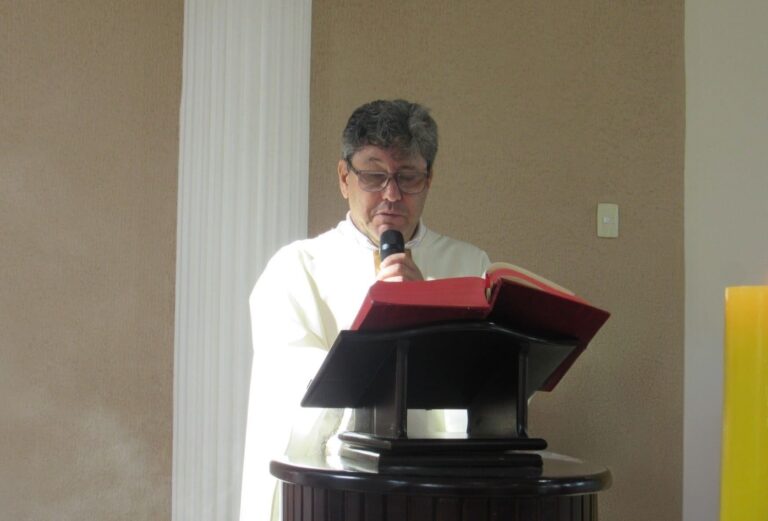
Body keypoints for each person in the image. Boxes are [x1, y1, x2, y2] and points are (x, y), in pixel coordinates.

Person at [239, 99, 491, 520]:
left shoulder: (470, 266)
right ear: (345, 178)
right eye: (374, 176)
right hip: (334, 499)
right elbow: (292, 398)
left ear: (429, 179)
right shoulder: (296, 269)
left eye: (408, 177)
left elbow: (488, 393)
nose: (392, 194)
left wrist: (428, 311)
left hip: (443, 497)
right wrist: (380, 319)